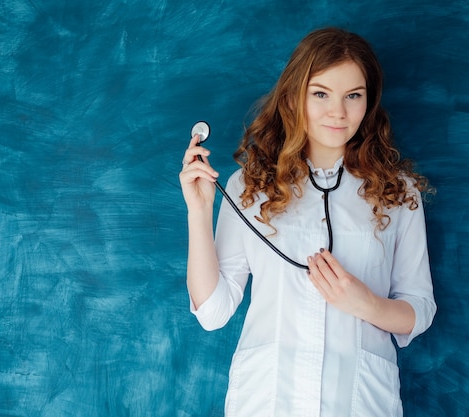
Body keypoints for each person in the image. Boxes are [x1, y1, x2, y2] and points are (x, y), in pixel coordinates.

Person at [179, 27, 436, 417]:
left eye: (354, 96)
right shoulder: (249, 186)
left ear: (369, 101)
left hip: (358, 402)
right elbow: (213, 313)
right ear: (294, 97)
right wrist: (198, 212)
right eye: (321, 94)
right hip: (268, 400)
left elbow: (419, 308)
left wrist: (365, 304)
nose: (339, 112)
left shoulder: (399, 193)